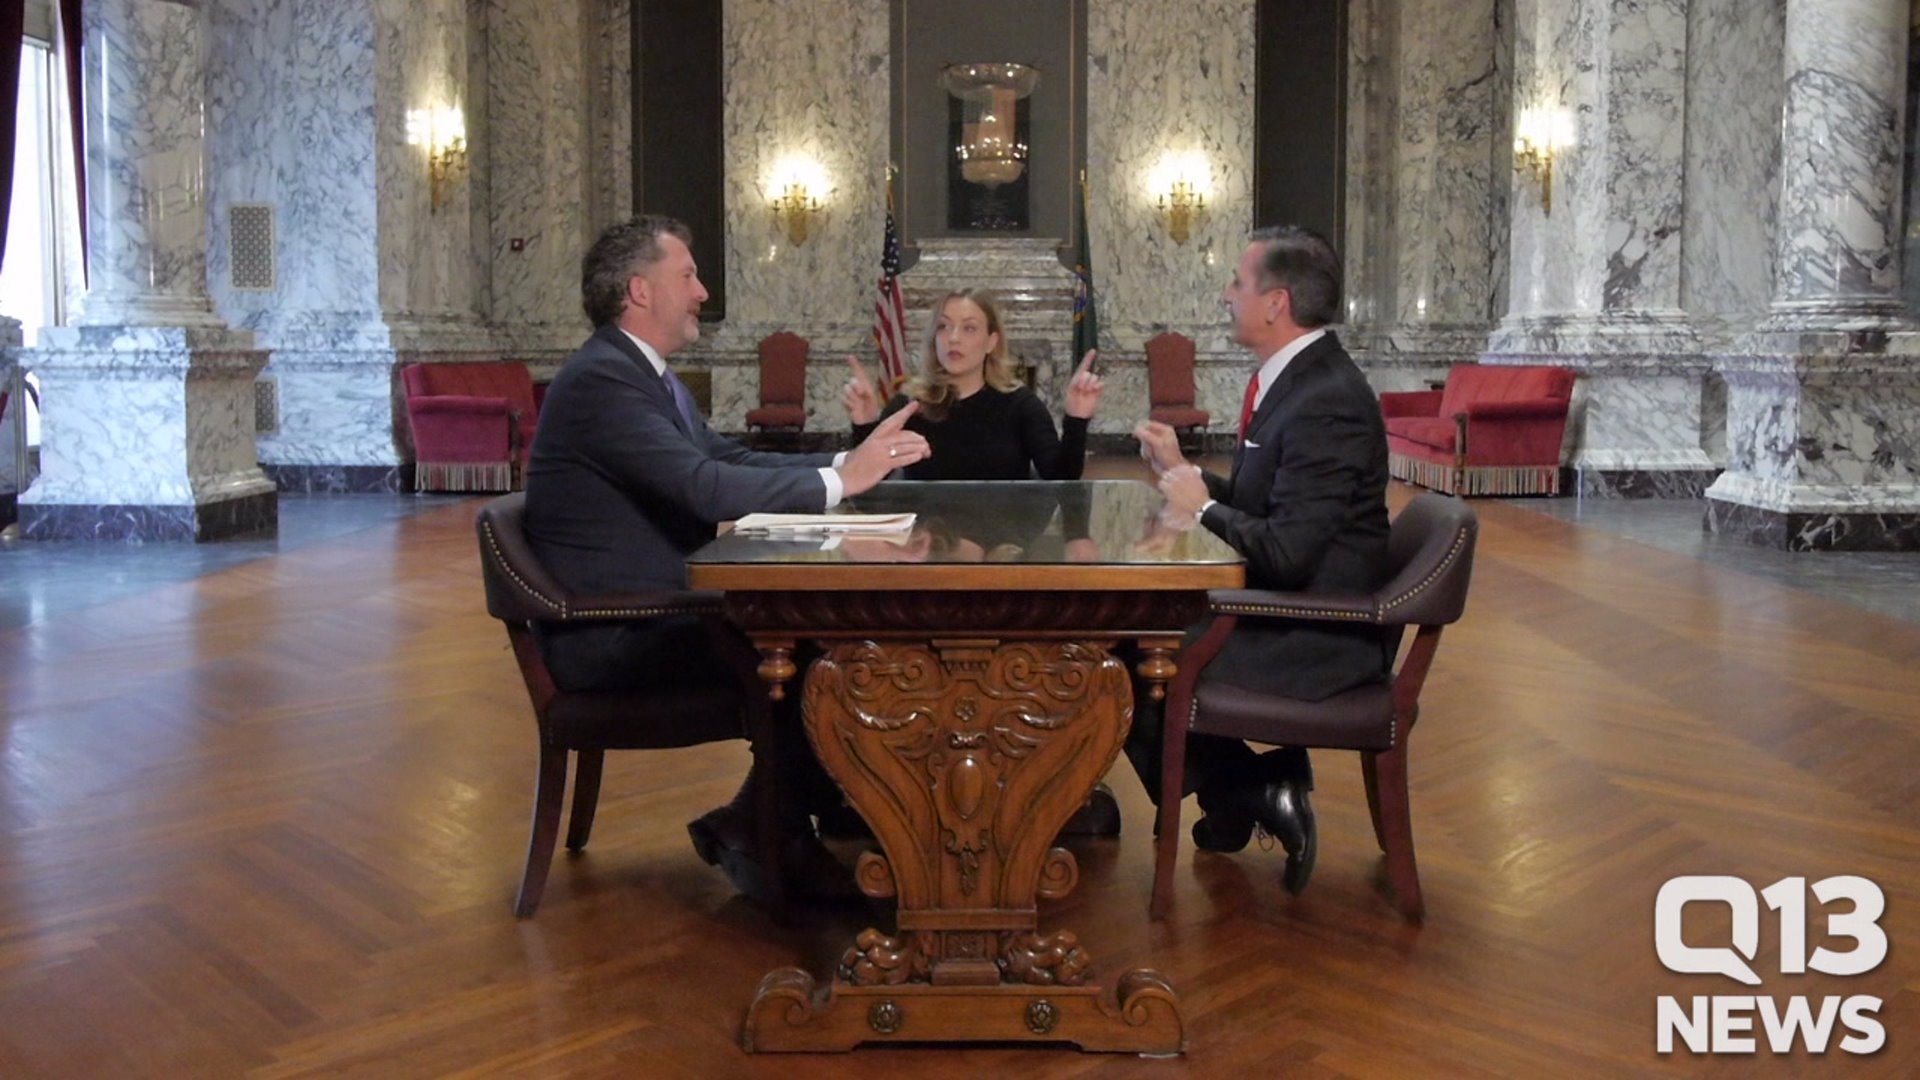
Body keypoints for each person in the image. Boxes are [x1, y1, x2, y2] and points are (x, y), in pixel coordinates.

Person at [522, 214, 932, 904]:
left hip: (659, 611)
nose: (703, 291)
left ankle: (785, 814)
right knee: (828, 657)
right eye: (687, 275)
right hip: (615, 633)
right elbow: (704, 488)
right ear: (639, 290)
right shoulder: (603, 381)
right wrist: (841, 483)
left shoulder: (640, 374)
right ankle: (772, 828)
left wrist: (846, 462)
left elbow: (725, 459)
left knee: (833, 640)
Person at [1129, 225, 1392, 895]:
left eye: (1238, 283)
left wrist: (1201, 508)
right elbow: (1269, 507)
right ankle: (1249, 790)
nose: (1227, 294)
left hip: (1316, 634)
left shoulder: (1326, 399)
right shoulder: (1298, 380)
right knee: (1124, 634)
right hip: (1287, 611)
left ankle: (1245, 790)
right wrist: (1187, 473)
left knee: (1125, 654)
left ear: (1276, 303)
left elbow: (1289, 554)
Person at [842, 289, 1103, 480]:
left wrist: (1076, 420)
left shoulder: (1021, 405)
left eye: (969, 328)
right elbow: (867, 481)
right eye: (944, 327)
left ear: (991, 342)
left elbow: (1060, 476)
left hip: (1002, 535)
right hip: (926, 536)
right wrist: (865, 425)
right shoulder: (909, 405)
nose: (953, 338)